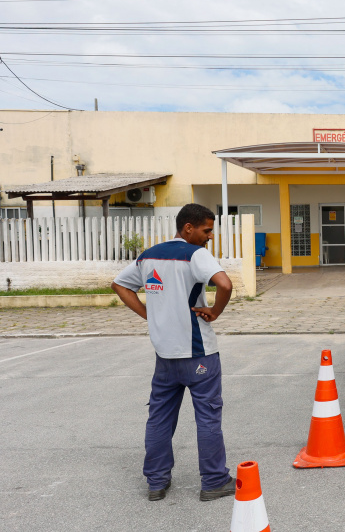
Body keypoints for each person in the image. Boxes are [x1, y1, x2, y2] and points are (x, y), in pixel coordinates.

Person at [112, 203, 236, 502]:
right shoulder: (195, 254)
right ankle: (214, 481)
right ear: (189, 228)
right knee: (207, 417)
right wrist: (215, 312)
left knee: (159, 418)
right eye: (206, 230)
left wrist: (148, 315)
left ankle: (156, 482)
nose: (209, 236)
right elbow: (225, 284)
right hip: (198, 354)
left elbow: (119, 285)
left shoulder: (149, 255)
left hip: (165, 356)